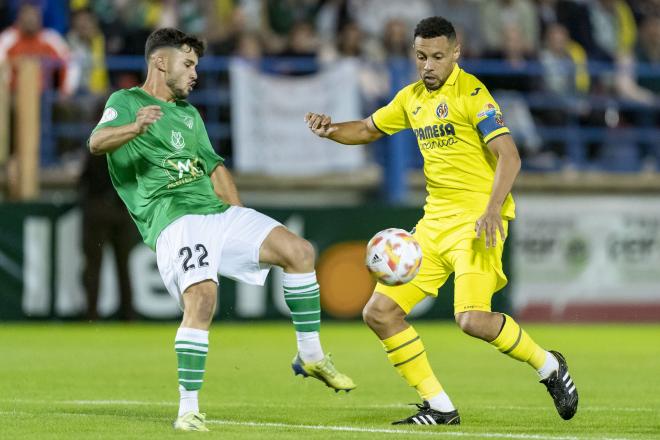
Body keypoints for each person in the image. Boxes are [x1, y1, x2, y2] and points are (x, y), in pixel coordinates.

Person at [305, 16, 578, 425]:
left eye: (436, 57)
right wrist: (330, 130)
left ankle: (550, 367)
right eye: (420, 57)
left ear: (456, 53)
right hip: (434, 224)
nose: (428, 65)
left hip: (477, 222)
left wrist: (491, 208)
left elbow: (510, 156)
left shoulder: (474, 95)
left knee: (472, 321)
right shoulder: (411, 98)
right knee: (379, 313)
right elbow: (365, 129)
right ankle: (440, 406)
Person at [88, 28, 355, 432]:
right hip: (173, 219)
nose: (195, 73)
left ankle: (312, 356)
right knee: (203, 299)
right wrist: (135, 128)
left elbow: (214, 168)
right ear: (161, 62)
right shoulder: (126, 102)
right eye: (188, 63)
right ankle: (188, 410)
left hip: (216, 214)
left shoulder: (189, 115)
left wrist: (241, 224)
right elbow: (96, 141)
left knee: (298, 252)